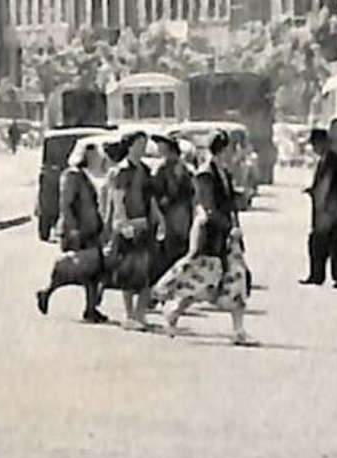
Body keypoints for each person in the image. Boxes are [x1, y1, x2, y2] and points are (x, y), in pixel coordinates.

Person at [150, 130, 256, 345]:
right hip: (211, 235)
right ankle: (172, 310)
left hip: (226, 235)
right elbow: (208, 207)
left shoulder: (223, 172)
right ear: (223, 150)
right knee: (200, 280)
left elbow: (228, 202)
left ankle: (238, 330)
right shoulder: (205, 174)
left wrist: (239, 200)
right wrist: (228, 226)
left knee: (236, 279)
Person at [36, 139, 109, 323]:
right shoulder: (72, 176)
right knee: (77, 268)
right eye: (93, 156)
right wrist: (73, 227)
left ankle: (91, 309)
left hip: (90, 229)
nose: (97, 160)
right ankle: (47, 292)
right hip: (77, 230)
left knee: (94, 271)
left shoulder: (85, 176)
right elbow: (66, 203)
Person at [102, 130, 159, 330]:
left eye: (145, 144)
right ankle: (129, 315)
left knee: (145, 272)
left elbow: (151, 198)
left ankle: (140, 314)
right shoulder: (121, 171)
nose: (142, 148)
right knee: (127, 272)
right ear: (130, 146)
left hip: (144, 224)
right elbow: (117, 201)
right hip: (127, 226)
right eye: (139, 144)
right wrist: (124, 224)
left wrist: (158, 218)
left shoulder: (145, 169)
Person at [302, 127, 337, 289]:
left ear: (324, 143)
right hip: (323, 213)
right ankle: (316, 275)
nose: (314, 148)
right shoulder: (322, 162)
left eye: (315, 144)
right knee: (317, 244)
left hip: (335, 212)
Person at [150, 133, 197, 285]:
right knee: (166, 252)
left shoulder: (185, 170)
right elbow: (156, 194)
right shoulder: (160, 170)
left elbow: (191, 192)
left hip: (183, 214)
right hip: (167, 215)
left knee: (183, 249)